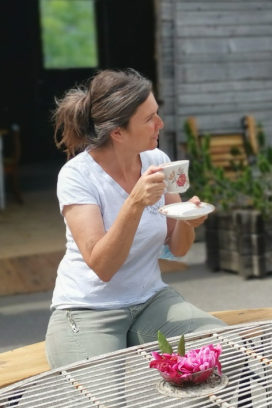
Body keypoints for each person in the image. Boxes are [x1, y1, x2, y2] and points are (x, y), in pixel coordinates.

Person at [45, 68, 225, 369]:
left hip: (150, 300)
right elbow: (103, 267)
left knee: (221, 350)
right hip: (88, 310)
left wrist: (187, 220)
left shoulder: (158, 162)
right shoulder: (77, 176)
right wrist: (135, 203)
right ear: (118, 132)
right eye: (149, 118)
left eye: (157, 113)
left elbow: (178, 249)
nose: (160, 124)